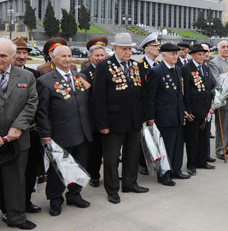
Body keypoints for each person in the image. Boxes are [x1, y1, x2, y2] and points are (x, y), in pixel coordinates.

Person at [93, 33, 149, 204]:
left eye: (130, 49)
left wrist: (144, 116)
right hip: (113, 121)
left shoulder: (135, 65)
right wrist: (102, 124)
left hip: (133, 119)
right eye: (124, 48)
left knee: (132, 153)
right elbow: (98, 98)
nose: (127, 52)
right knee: (111, 157)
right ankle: (112, 189)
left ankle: (130, 183)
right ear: (115, 48)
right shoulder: (104, 66)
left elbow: (141, 93)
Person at [36, 45, 93, 216]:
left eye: (70, 55)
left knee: (79, 166)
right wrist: (45, 134)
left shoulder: (79, 77)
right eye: (63, 56)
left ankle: (74, 195)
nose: (68, 59)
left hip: (82, 132)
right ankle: (55, 199)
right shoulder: (45, 81)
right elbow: (42, 112)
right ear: (53, 58)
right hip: (61, 134)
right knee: (58, 170)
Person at [0, 38, 38, 230]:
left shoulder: (26, 77)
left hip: (17, 139)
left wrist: (18, 127)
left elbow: (31, 104)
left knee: (15, 180)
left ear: (13, 57)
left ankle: (16, 218)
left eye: (3, 56)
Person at [145, 43, 189, 185]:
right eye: (172, 54)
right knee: (166, 146)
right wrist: (150, 116)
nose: (175, 56)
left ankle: (176, 170)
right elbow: (150, 97)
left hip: (177, 114)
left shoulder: (178, 69)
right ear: (163, 55)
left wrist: (183, 111)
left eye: (176, 54)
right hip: (163, 116)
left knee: (177, 145)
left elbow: (179, 94)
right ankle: (164, 174)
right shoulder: (156, 71)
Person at [11, 38, 42, 214]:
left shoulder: (34, 75)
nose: (22, 56)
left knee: (30, 170)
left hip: (31, 131)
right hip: (9, 132)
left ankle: (26, 201)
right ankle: (9, 207)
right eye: (18, 52)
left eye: (25, 53)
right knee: (11, 173)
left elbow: (38, 104)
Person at [183, 44, 216, 175]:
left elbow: (209, 88)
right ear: (192, 55)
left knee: (204, 138)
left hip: (206, 110)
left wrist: (212, 106)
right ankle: (191, 164)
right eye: (199, 54)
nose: (201, 57)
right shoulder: (186, 69)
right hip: (194, 111)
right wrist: (188, 110)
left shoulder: (206, 68)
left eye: (203, 54)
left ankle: (202, 161)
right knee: (192, 139)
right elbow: (185, 92)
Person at [79, 36, 108, 188]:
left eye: (102, 55)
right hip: (93, 119)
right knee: (95, 151)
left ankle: (111, 174)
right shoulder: (84, 73)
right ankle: (94, 175)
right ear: (90, 57)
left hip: (109, 117)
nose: (100, 58)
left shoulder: (111, 70)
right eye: (97, 55)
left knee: (110, 150)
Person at [136, 32, 160, 175]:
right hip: (143, 108)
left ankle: (152, 160)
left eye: (158, 46)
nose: (158, 48)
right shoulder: (138, 65)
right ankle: (141, 163)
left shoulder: (158, 65)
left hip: (156, 107)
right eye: (155, 46)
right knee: (142, 138)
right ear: (147, 49)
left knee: (153, 137)